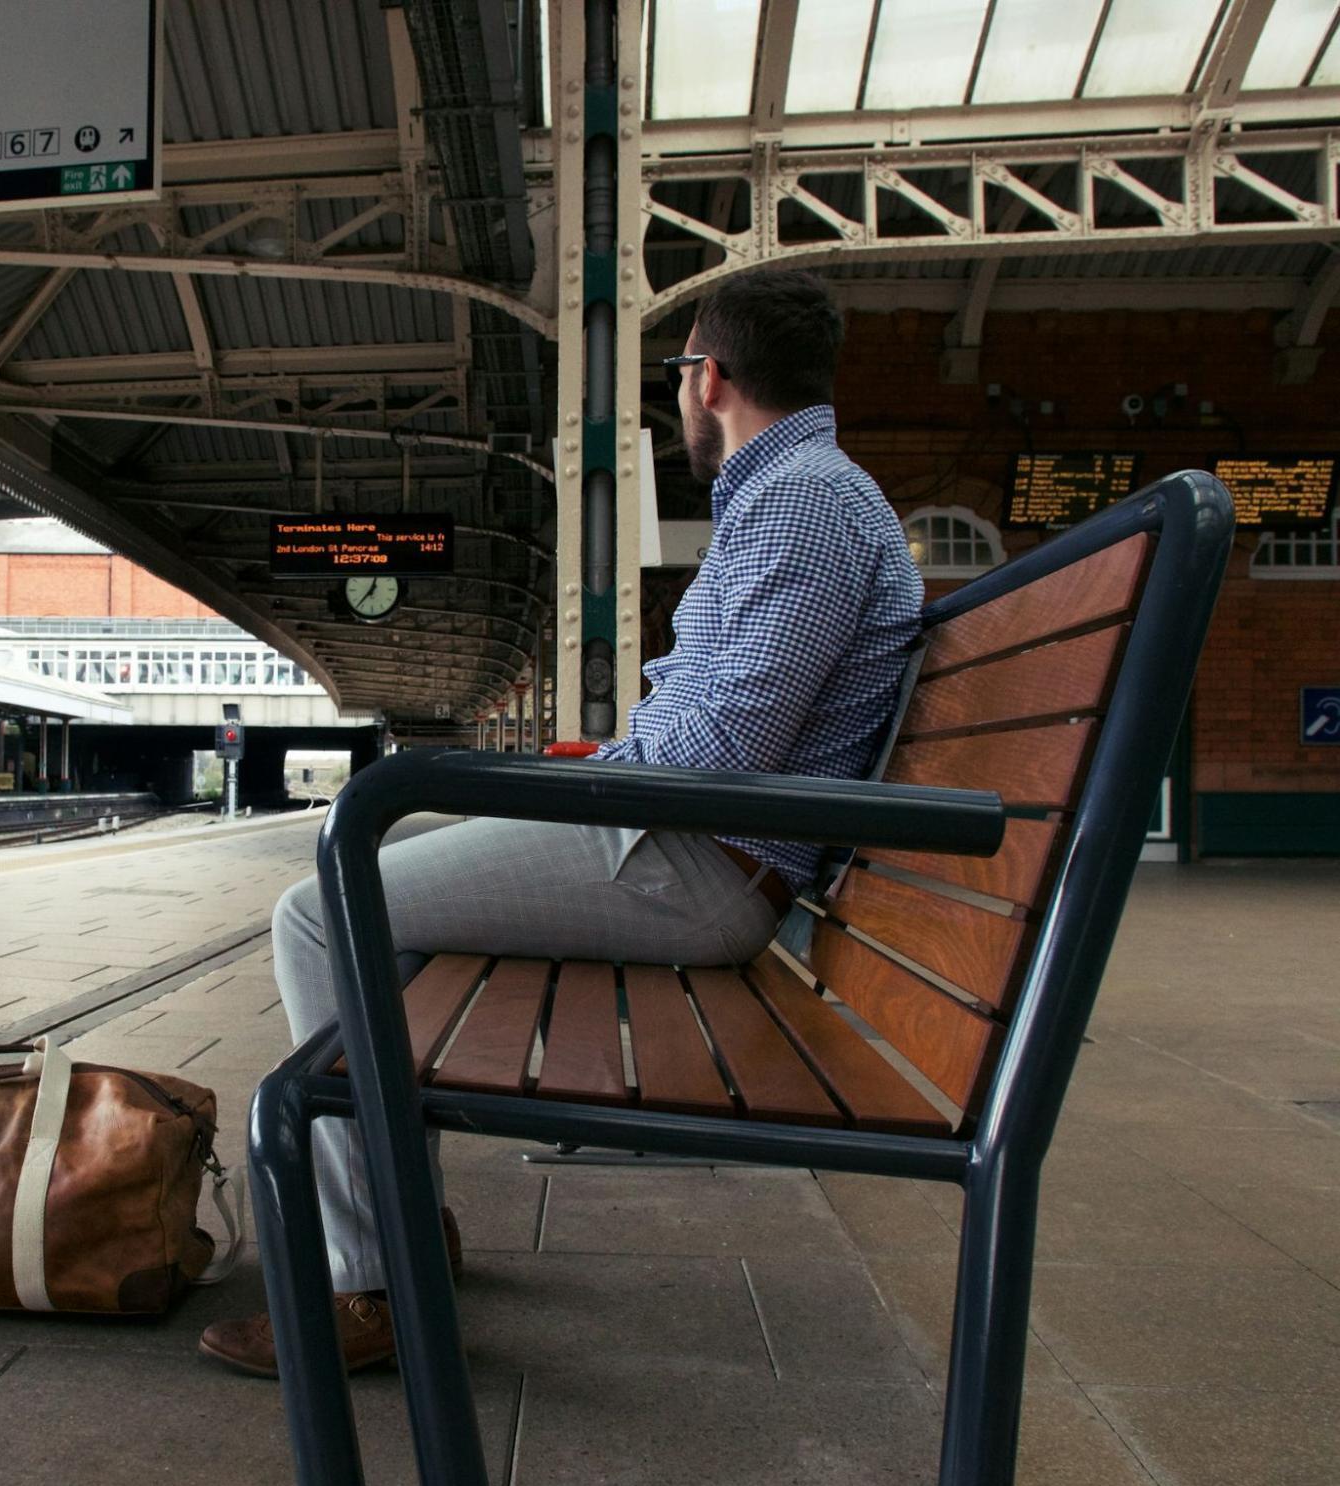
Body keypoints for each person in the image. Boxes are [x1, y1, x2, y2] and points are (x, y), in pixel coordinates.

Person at [198, 268, 924, 1377]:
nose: (678, 397)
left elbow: (726, 755)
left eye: (678, 375)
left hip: (695, 865)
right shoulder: (800, 495)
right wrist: (588, 766)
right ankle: (403, 1226)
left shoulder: (802, 502)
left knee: (318, 909)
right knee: (376, 892)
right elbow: (715, 723)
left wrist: (574, 782)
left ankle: (371, 1286)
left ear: (709, 377)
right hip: (690, 842)